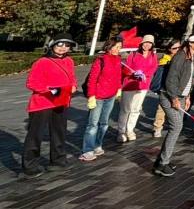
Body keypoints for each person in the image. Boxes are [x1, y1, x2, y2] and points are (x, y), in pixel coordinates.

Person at [22, 33, 79, 178]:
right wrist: (50, 90)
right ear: (53, 45)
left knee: (59, 132)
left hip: (61, 102)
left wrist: (73, 86)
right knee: (35, 135)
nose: (63, 48)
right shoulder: (42, 62)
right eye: (60, 44)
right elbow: (32, 83)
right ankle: (30, 166)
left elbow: (72, 78)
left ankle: (58, 161)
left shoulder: (69, 61)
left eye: (67, 45)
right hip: (42, 103)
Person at [153, 35, 194, 177]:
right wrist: (174, 98)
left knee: (176, 127)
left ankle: (161, 160)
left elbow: (189, 79)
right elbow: (171, 79)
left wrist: (188, 96)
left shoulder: (193, 57)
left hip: (182, 96)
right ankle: (162, 163)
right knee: (176, 126)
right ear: (190, 43)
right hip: (170, 96)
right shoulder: (180, 56)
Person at [79, 37, 123, 162]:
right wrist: (91, 96)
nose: (117, 49)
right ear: (109, 46)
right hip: (98, 96)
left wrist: (118, 88)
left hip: (111, 96)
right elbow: (92, 79)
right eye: (115, 46)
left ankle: (97, 145)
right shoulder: (101, 60)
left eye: (120, 47)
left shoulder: (118, 60)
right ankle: (88, 150)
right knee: (93, 124)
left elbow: (118, 76)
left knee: (104, 123)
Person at [118, 34, 158, 142]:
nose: (147, 45)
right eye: (145, 42)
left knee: (135, 109)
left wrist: (144, 74)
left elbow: (153, 68)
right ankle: (121, 131)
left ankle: (130, 130)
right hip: (130, 84)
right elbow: (126, 68)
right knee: (125, 109)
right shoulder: (133, 54)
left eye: (149, 43)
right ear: (141, 43)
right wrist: (133, 73)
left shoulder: (153, 56)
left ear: (152, 45)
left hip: (143, 86)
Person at [152, 39, 182, 138]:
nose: (177, 50)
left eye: (179, 48)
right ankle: (157, 127)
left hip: (177, 88)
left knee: (176, 108)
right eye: (174, 48)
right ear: (169, 49)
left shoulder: (182, 58)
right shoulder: (165, 59)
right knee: (161, 108)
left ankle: (172, 125)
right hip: (165, 87)